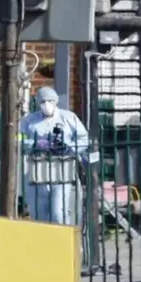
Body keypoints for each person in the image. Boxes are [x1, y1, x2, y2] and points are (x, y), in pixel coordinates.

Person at [19, 86, 89, 224]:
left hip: (63, 168)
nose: (47, 105)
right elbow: (17, 139)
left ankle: (62, 242)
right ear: (38, 103)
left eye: (50, 101)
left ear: (56, 101)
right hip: (37, 169)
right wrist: (35, 143)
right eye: (43, 101)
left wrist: (69, 147)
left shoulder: (69, 117)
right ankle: (44, 244)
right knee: (39, 213)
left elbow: (84, 139)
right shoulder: (29, 121)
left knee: (59, 213)